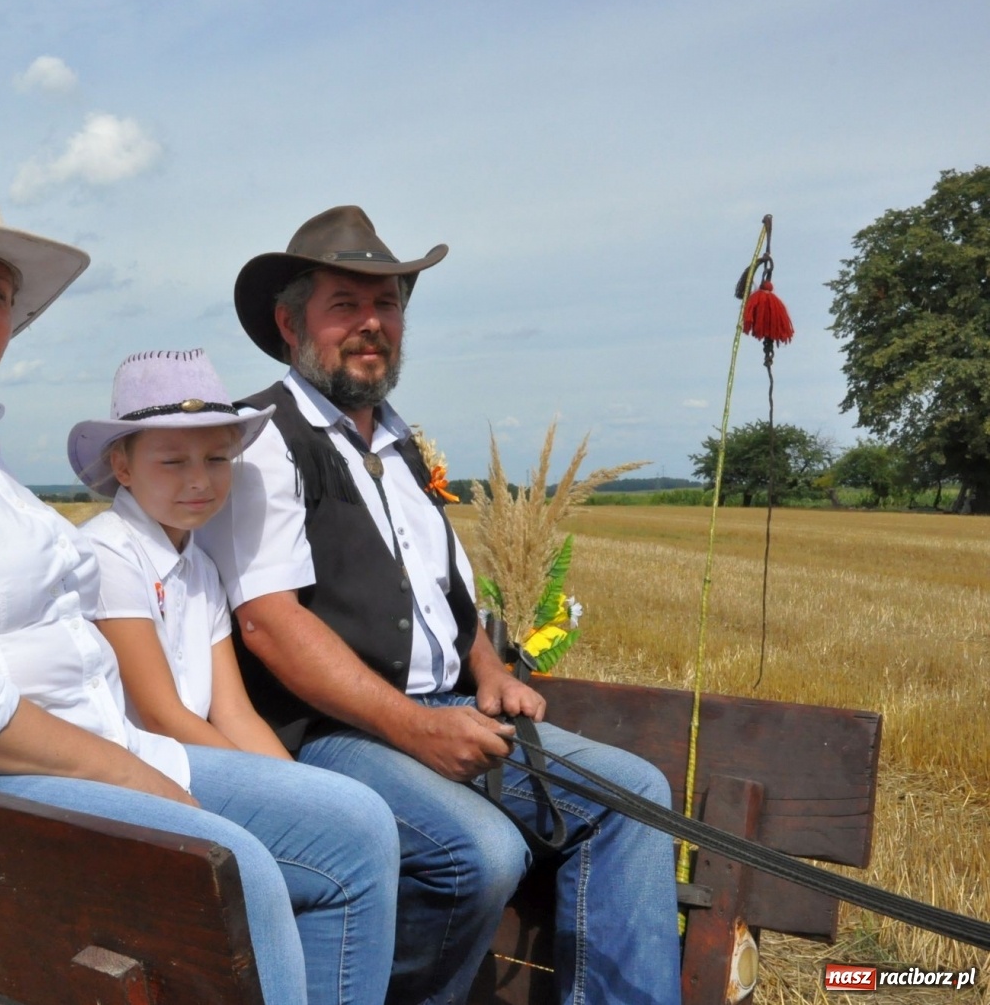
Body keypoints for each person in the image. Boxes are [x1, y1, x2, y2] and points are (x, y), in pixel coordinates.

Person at [0, 169, 400, 1005]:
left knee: (355, 827)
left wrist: (131, 758)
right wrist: (131, 774)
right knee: (232, 865)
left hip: (86, 747)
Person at [200, 205, 683, 1004]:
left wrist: (487, 666)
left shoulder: (404, 444)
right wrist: (419, 728)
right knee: (480, 853)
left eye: (386, 304)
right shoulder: (263, 440)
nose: (371, 325)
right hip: (327, 730)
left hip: (447, 704)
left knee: (638, 796)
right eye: (345, 306)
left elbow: (444, 593)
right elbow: (269, 623)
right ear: (291, 324)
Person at [70, 348, 292, 759]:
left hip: (196, 761)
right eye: (173, 461)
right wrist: (271, 785)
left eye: (216, 459)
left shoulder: (202, 569)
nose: (199, 481)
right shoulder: (106, 552)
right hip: (137, 774)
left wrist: (301, 786)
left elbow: (235, 713)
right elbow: (161, 718)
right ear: (123, 467)